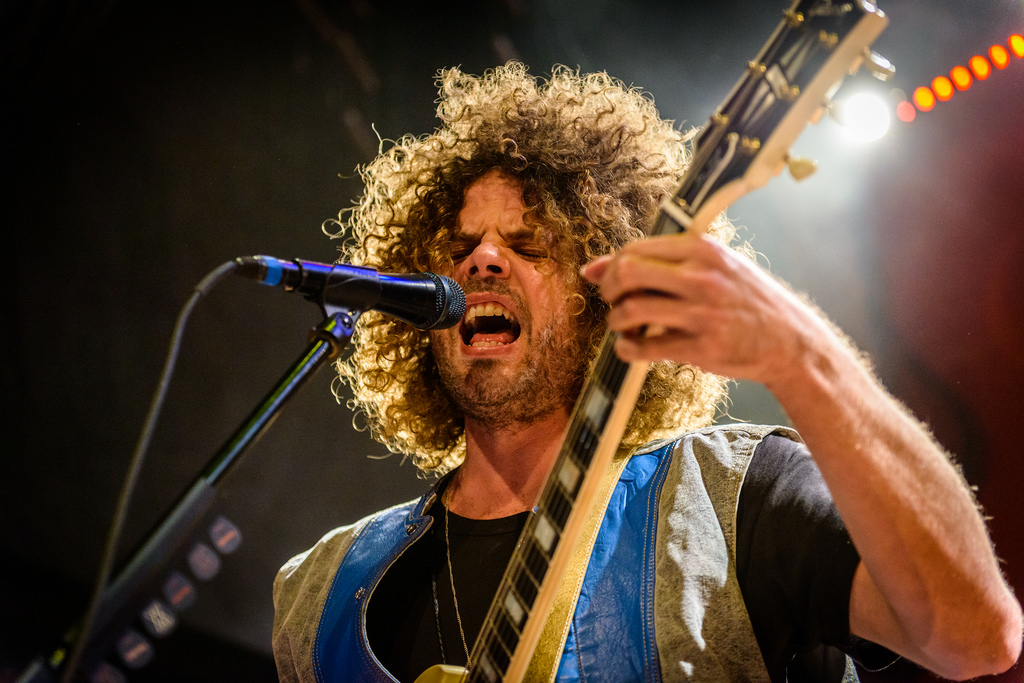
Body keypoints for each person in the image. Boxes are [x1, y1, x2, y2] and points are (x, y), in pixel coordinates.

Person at [271, 63, 1022, 682]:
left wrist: (806, 356)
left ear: (603, 292)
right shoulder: (317, 592)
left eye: (529, 246)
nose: (484, 260)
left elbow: (975, 635)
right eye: (460, 247)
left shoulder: (737, 500)